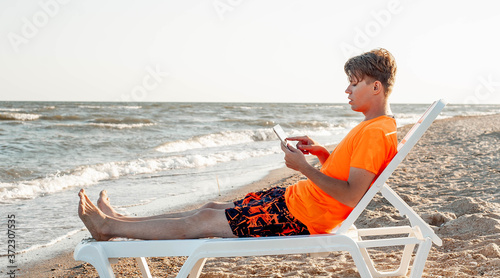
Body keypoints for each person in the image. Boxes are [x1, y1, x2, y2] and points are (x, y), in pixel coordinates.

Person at [78, 48, 398, 241]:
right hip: (297, 202)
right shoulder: (374, 127)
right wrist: (320, 153)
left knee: (203, 221)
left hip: (304, 215)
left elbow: (352, 194)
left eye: (353, 84)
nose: (347, 90)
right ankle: (118, 221)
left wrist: (303, 168)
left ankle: (107, 227)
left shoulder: (374, 132)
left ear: (375, 87)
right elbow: (348, 175)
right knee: (210, 209)